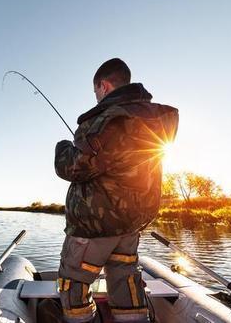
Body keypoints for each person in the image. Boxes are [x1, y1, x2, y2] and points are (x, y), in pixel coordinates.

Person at [54, 58, 179, 323]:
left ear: (104, 85)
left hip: (94, 226)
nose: (97, 97)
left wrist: (62, 148)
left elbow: (76, 167)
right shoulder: (153, 117)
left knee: (73, 283)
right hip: (131, 224)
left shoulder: (107, 118)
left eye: (96, 91)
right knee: (125, 279)